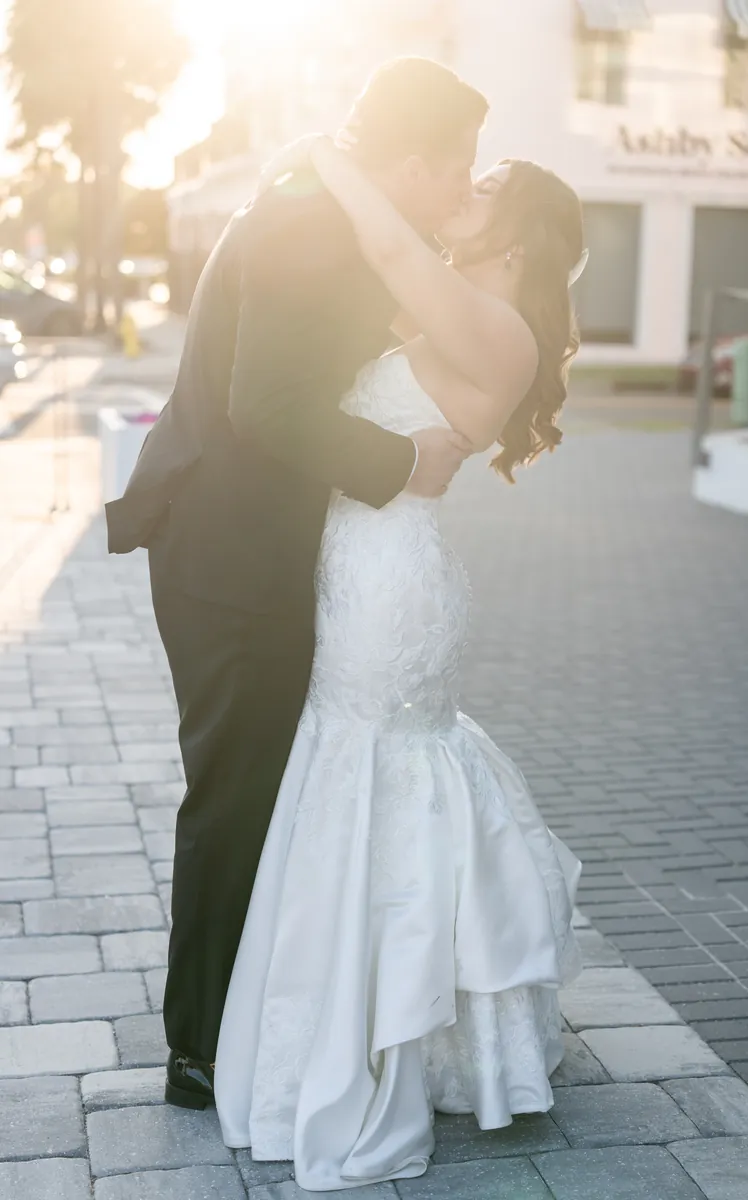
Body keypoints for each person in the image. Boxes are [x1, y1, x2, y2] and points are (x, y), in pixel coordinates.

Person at [104, 57, 489, 1109]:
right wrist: (404, 460)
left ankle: (240, 1015)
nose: (465, 185)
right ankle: (199, 1049)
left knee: (256, 789)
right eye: (458, 166)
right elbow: (268, 406)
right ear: (411, 164)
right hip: (229, 558)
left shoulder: (318, 200)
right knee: (234, 797)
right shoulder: (309, 224)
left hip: (240, 546)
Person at [213, 135, 586, 1191]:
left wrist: (332, 155)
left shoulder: (497, 327)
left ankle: (369, 1042)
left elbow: (384, 247)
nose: (467, 185)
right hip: (363, 561)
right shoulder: (455, 311)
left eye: (488, 183)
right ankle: (417, 1021)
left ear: (521, 238)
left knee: (370, 772)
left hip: (387, 586)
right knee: (372, 776)